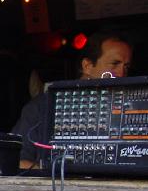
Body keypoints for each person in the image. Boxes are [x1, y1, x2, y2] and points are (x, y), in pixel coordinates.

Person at [12, 31, 133, 169]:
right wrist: (58, 175)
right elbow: (17, 160)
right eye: (114, 64)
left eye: (126, 67)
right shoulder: (41, 107)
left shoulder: (127, 108)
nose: (121, 73)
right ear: (87, 66)